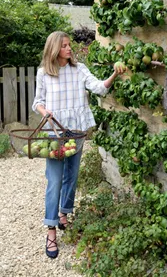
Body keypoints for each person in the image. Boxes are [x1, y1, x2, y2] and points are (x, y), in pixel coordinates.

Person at [32, 31, 126, 259]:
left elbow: (99, 88)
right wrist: (46, 112)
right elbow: (38, 102)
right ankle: (51, 230)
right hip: (55, 132)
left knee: (71, 176)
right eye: (64, 46)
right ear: (54, 49)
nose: (69, 48)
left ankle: (64, 213)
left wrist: (114, 73)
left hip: (77, 130)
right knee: (54, 181)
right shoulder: (44, 73)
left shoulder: (79, 69)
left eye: (69, 45)